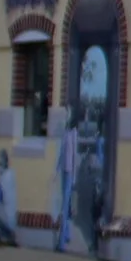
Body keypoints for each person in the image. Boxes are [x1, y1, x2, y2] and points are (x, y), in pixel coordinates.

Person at [50, 107, 77, 251]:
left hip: (69, 173)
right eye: (66, 112)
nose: (66, 115)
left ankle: (61, 243)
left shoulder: (73, 133)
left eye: (68, 112)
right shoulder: (65, 133)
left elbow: (74, 156)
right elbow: (61, 154)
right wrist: (55, 171)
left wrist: (74, 178)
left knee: (65, 207)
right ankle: (65, 235)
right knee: (64, 206)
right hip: (63, 173)